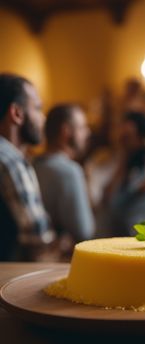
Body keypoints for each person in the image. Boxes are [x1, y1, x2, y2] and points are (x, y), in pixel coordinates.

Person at [0, 73, 53, 261]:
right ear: (17, 113)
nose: (43, 118)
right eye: (38, 108)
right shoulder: (10, 160)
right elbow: (38, 240)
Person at [34, 104, 94, 248]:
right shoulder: (69, 171)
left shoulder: (31, 165)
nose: (88, 133)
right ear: (66, 131)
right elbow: (84, 231)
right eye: (82, 127)